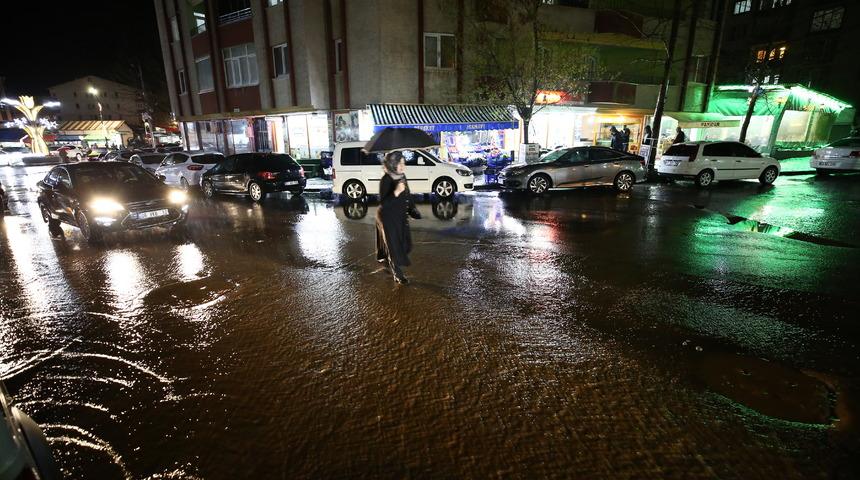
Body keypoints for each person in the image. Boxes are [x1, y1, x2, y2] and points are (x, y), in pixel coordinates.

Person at [376, 151, 413, 285]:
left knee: (407, 244)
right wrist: (396, 192)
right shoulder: (386, 179)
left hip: (399, 216)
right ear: (393, 164)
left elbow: (407, 194)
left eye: (404, 163)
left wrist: (412, 210)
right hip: (387, 217)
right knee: (394, 246)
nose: (403, 166)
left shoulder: (402, 176)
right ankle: (398, 275)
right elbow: (384, 203)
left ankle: (386, 255)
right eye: (400, 163)